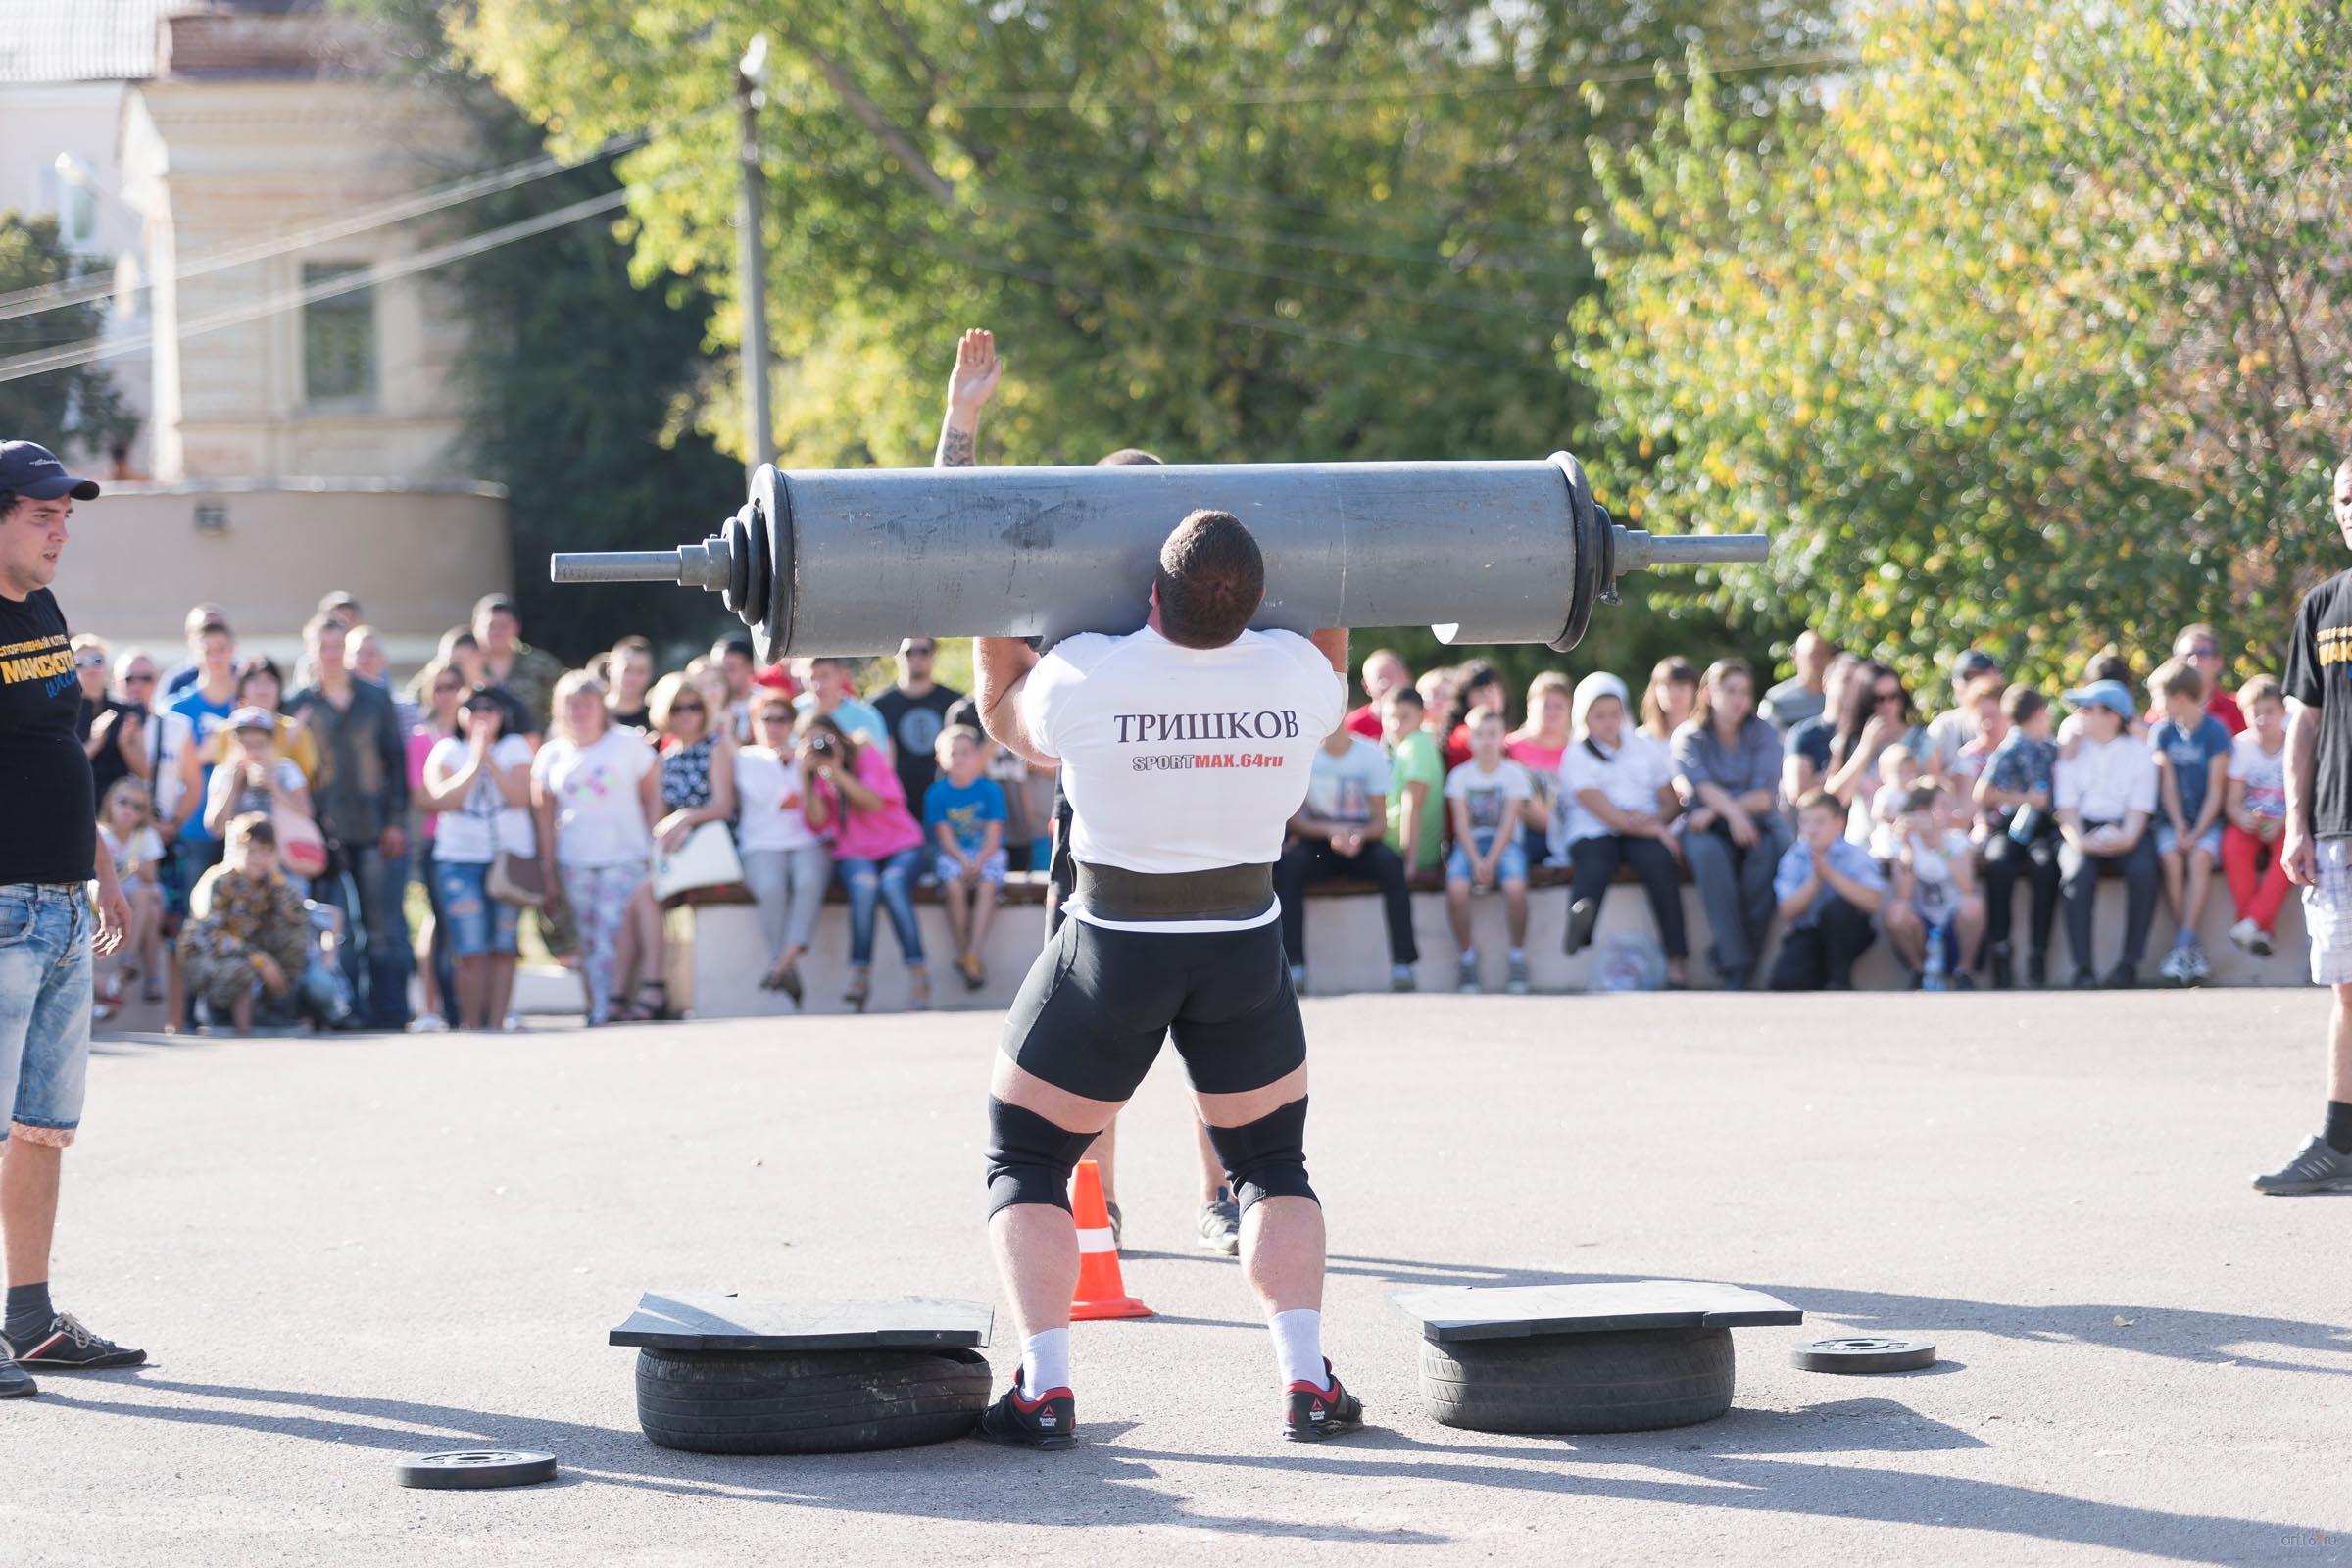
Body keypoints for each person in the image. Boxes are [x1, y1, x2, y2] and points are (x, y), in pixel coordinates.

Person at [967, 505, 1363, 1447]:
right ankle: (1307, 1379)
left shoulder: (1083, 675)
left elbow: (1001, 712)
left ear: (1151, 588)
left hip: (1114, 950)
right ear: (1262, 597)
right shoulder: (1300, 676)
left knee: (1025, 1161)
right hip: (1242, 947)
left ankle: (1046, 1391)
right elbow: (1339, 608)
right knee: (1271, 1167)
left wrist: (985, 588)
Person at [0, 439, 143, 1396]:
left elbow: (56, 745)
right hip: (3, 907)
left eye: (67, 516)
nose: (60, 530)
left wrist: (104, 865)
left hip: (61, 905)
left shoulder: (43, 609)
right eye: (43, 513)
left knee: (44, 1126)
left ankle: (32, 1318)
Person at [2263, 454, 2352, 1193]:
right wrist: (2297, 822)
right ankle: (2338, 1144)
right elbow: (2302, 724)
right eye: (2344, 499)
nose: (2351, 510)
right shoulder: (2323, 606)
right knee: (2348, 988)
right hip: (2336, 829)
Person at [287, 615, 411, 1029]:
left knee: (381, 929)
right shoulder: (299, 706)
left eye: (338, 646)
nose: (331, 655)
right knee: (334, 932)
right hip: (325, 834)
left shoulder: (376, 699)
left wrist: (396, 821)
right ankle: (347, 1012)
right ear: (310, 651)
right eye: (323, 647)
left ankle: (391, 1013)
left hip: (375, 829)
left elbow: (396, 764)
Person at [532, 671, 661, 1025]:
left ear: (601, 707)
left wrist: (655, 845)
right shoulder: (552, 754)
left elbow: (652, 794)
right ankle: (597, 1004)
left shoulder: (627, 744)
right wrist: (547, 867)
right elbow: (544, 815)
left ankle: (611, 1003)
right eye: (572, 705)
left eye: (587, 704)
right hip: (574, 858)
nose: (580, 712)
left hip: (624, 855)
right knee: (586, 940)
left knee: (613, 934)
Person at [1556, 673, 1687, 986]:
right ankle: (1579, 928)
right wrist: (1653, 829)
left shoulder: (1644, 746)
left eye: (1614, 713)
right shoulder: (1575, 755)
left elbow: (1669, 800)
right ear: (1584, 717)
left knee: (1659, 862)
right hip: (1594, 830)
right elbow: (1607, 815)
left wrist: (1655, 822)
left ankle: (1677, 961)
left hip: (1643, 830)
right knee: (1597, 858)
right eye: (1599, 716)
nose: (1609, 722)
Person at [1671, 658, 1790, 990]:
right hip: (1704, 827)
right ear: (1710, 694)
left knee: (1765, 857)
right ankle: (1738, 965)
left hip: (1754, 824)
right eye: (1731, 691)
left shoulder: (1763, 732)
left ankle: (1730, 958)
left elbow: (1765, 797)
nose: (1739, 700)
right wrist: (1733, 814)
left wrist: (1724, 810)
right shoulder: (1690, 736)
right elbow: (1702, 787)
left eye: (1745, 692)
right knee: (1709, 858)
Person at [800, 711, 930, 1012]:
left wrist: (837, 772)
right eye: (812, 742)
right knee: (864, 886)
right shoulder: (814, 771)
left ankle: (919, 975)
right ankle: (859, 975)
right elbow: (818, 821)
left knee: (893, 884)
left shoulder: (865, 753)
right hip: (854, 851)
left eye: (825, 739)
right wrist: (805, 776)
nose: (821, 747)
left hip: (900, 844)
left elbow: (873, 801)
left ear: (839, 736)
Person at [421, 687, 534, 1031]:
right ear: (459, 714)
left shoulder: (515, 747)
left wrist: (491, 761)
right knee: (470, 948)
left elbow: (520, 797)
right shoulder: (446, 749)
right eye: (472, 708)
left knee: (503, 945)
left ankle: (497, 1022)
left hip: (508, 858)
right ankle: (471, 1025)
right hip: (459, 858)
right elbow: (443, 799)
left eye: (491, 708)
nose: (482, 714)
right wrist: (474, 760)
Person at [1274, 720, 1415, 995]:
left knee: (1391, 865)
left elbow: (1380, 823)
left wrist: (1357, 837)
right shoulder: (1302, 754)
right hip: (1317, 842)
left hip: (1361, 843)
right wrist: (1330, 832)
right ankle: (1295, 965)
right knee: (1289, 867)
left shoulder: (1371, 755)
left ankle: (1403, 964)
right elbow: (1295, 820)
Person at [2053, 679, 2160, 989]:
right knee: (2076, 875)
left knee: (2144, 871)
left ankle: (2129, 964)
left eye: (2089, 709)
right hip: (2081, 831)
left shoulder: (2140, 753)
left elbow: (2139, 813)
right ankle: (2082, 968)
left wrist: (2124, 839)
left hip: (2126, 829)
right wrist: (2081, 842)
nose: (2080, 716)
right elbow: (2066, 810)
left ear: (2113, 715)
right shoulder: (2070, 752)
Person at [176, 814, 315, 1034]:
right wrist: (260, 960)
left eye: (266, 851)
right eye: (251, 851)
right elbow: (211, 937)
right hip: (205, 957)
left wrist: (276, 874)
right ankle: (224, 1018)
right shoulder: (218, 881)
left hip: (246, 952)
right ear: (235, 851)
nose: (258, 859)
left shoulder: (272, 882)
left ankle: (271, 1009)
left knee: (294, 937)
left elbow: (299, 917)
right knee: (242, 969)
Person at [734, 693, 829, 1003]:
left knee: (809, 881)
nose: (775, 727)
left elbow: (815, 804)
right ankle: (785, 967)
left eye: (782, 720)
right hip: (761, 844)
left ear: (792, 724)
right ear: (754, 723)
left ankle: (780, 966)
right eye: (767, 719)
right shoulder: (745, 758)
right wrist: (792, 767)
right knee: (772, 887)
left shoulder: (805, 756)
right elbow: (782, 799)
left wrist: (799, 765)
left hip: (805, 841)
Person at [2146, 658, 2231, 986]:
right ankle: (2190, 944)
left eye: (2158, 697)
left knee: (2199, 858)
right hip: (2174, 821)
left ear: (2179, 696)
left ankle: (2183, 941)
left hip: (2207, 821)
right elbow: (2166, 785)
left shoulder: (2215, 732)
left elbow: (2215, 791)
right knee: (2170, 857)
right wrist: (2181, 825)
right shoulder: (2162, 732)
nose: (2155, 705)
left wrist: (2197, 831)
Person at [1974, 684, 2062, 988]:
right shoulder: (2009, 748)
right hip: (2009, 826)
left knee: (2045, 866)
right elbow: (1983, 792)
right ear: (2039, 714)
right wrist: (2023, 798)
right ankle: (2001, 949)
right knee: (1998, 864)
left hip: (2041, 828)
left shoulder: (2050, 748)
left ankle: (2038, 952)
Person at [1444, 710, 1536, 995]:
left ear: (1502, 738)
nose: (1485, 741)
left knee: (1515, 887)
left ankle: (1517, 957)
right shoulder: (1459, 776)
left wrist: (1491, 861)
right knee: (1457, 888)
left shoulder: (1514, 774)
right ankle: (1466, 958)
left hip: (1505, 845)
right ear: (1470, 739)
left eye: (1492, 734)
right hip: (1470, 844)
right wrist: (1476, 861)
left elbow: (1509, 823)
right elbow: (1461, 824)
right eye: (1479, 734)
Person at [1768, 790, 1886, 990]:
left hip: (1849, 932)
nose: (1811, 829)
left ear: (1839, 824)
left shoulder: (1856, 855)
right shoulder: (1793, 857)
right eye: (1805, 822)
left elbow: (1873, 901)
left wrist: (1830, 875)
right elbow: (1787, 910)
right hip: (1810, 932)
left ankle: (1840, 980)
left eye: (1819, 822)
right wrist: (1814, 881)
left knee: (1837, 912)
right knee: (1785, 980)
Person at [925, 725, 1009, 991]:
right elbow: (945, 836)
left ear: (977, 756)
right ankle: (966, 954)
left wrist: (979, 861)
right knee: (953, 886)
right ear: (940, 759)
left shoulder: (991, 791)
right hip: (955, 853)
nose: (959, 758)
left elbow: (993, 835)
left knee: (987, 886)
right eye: (953, 753)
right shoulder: (936, 794)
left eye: (966, 752)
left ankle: (972, 952)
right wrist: (963, 860)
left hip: (986, 853)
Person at [406, 660, 465, 1033]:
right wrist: (461, 796)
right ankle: (440, 1007)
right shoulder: (420, 738)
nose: (446, 695)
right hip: (438, 841)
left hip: (476, 845)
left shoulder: (476, 734)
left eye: (453, 686)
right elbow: (423, 796)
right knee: (441, 925)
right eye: (439, 687)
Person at [1880, 780, 1984, 986]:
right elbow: (1903, 895)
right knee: (1896, 912)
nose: (1950, 812)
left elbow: (1967, 887)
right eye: (1943, 806)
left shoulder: (1957, 840)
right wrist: (1907, 846)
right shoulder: (1903, 843)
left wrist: (1939, 845)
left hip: (1953, 924)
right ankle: (1919, 971)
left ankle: (1964, 971)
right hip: (1922, 926)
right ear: (1922, 810)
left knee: (1973, 905)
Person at [2222, 675, 2290, 957]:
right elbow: (2232, 803)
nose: (2262, 719)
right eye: (2255, 713)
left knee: (2288, 853)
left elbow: (2305, 799)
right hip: (2251, 821)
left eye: (2269, 711)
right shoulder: (2241, 746)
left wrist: (2283, 822)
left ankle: (2250, 922)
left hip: (2287, 821)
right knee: (2232, 846)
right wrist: (2242, 817)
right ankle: (2260, 930)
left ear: (2282, 712)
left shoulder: (2295, 742)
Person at [95, 778, 166, 1012]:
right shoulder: (100, 834)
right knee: (152, 913)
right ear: (110, 803)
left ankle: (130, 956)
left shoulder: (145, 835)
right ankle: (151, 977)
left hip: (136, 896)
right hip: (106, 899)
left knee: (147, 897)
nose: (129, 810)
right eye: (123, 802)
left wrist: (141, 868)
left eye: (138, 807)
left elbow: (151, 878)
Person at [877, 637, 963, 816]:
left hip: (951, 810)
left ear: (933, 655)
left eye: (923, 651)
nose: (916, 657)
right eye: (909, 652)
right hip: (899, 808)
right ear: (896, 656)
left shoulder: (956, 704)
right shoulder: (877, 707)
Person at [202, 707, 314, 845]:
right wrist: (234, 784)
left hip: (282, 850)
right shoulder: (223, 772)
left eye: (260, 744)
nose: (253, 752)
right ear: (233, 744)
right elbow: (215, 829)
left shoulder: (286, 768)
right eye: (246, 744)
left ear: (272, 743)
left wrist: (274, 787)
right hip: (241, 854)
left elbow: (306, 813)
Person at [473, 594, 564, 736]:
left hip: (533, 749)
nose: (497, 632)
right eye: (491, 626)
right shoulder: (464, 667)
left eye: (503, 626)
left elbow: (563, 706)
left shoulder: (541, 664)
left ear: (517, 627)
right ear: (475, 627)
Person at [1382, 684, 1447, 879]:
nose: (1395, 725)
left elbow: (1412, 806)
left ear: (1421, 716)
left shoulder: (1415, 746)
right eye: (1389, 717)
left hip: (1406, 856)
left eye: (1404, 717)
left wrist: (1409, 863)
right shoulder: (1414, 744)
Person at [1506, 671, 1573, 864]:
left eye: (1558, 706)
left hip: (1570, 831)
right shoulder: (1510, 747)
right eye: (1546, 705)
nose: (1552, 712)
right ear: (1530, 706)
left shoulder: (1578, 750)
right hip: (1526, 834)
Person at [1781, 651, 1862, 807]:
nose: (1854, 689)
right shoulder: (1804, 734)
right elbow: (1799, 793)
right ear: (1825, 684)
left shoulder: (1869, 731)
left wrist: (1820, 781)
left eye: (1859, 683)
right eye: (1846, 680)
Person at [1920, 649, 2003, 776]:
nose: (1974, 685)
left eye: (1979, 676)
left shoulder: (2014, 716)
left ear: (1997, 677)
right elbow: (1929, 777)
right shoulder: (1944, 725)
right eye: (1967, 678)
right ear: (1954, 684)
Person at [2151, 624, 2245, 736]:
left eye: (2202, 653)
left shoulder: (2240, 708)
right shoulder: (2161, 710)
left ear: (2218, 662)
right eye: (2187, 655)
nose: (2193, 661)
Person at [793, 656, 892, 758]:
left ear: (842, 674)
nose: (817, 685)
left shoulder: (866, 716)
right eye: (811, 678)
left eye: (824, 676)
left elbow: (880, 763)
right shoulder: (790, 712)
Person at [1761, 629, 1837, 734]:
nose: (1818, 662)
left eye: (1822, 654)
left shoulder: (1840, 698)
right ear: (1796, 658)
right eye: (1813, 655)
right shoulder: (1775, 700)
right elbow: (1765, 740)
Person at [1345, 648, 1409, 740]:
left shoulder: (1421, 717)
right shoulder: (1352, 725)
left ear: (1404, 676)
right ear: (1366, 686)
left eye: (1390, 675)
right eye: (1379, 678)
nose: (1385, 684)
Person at [1638, 656, 1699, 744]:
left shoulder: (1706, 737)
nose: (1673, 692)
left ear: (1695, 689)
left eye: (1680, 685)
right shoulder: (1640, 739)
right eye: (1666, 684)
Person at [710, 633, 758, 743]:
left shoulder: (767, 701)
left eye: (731, 668)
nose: (724, 674)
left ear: (749, 667)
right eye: (720, 669)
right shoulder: (707, 707)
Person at [603, 635, 657, 730]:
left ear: (651, 673)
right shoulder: (591, 715)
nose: (633, 678)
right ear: (609, 667)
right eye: (627, 670)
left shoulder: (658, 721)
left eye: (641, 671)